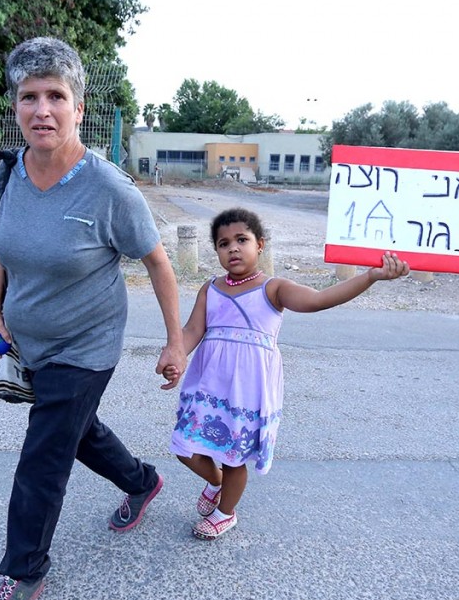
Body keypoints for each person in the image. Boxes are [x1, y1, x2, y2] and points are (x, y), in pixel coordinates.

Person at [0, 37, 187, 600]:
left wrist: (175, 343)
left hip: (86, 347)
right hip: (28, 342)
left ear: (79, 106)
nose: (42, 109)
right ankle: (143, 482)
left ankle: (23, 570)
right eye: (29, 96)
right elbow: (2, 250)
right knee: (76, 431)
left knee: (43, 453)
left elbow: (159, 264)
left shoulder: (110, 190)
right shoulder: (8, 176)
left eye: (56, 96)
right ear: (16, 106)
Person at [162, 207, 409, 540]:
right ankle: (216, 481)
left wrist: (369, 277)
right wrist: (176, 353)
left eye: (241, 240)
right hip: (208, 384)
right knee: (185, 447)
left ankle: (225, 513)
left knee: (235, 458)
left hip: (247, 391)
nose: (232, 248)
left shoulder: (273, 288)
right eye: (223, 243)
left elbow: (319, 300)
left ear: (260, 244)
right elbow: (193, 329)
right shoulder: (210, 288)